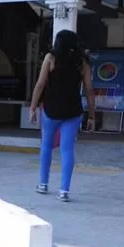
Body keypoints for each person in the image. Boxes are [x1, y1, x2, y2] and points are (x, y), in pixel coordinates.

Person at [29, 29, 96, 202]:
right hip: (73, 110)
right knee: (67, 149)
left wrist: (32, 107)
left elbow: (40, 84)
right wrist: (92, 115)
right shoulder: (82, 62)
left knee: (46, 146)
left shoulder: (50, 58)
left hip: (51, 109)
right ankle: (64, 190)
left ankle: (43, 184)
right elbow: (89, 90)